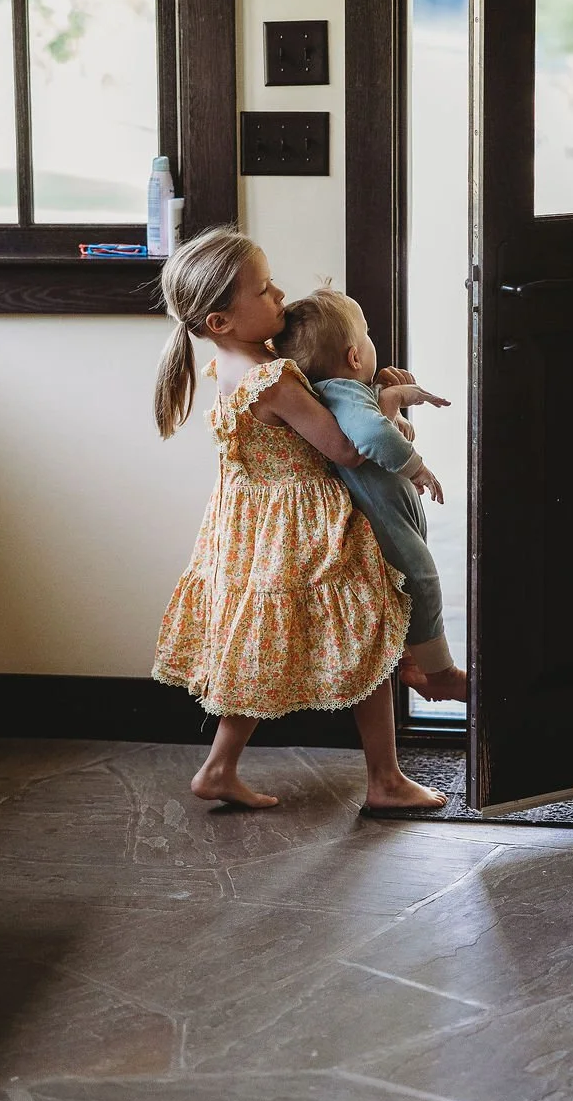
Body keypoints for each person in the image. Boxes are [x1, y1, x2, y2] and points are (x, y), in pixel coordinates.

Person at [152, 226, 447, 812]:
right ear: (220, 321)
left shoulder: (231, 363)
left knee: (264, 643)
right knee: (368, 636)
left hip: (254, 526)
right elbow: (345, 450)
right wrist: (387, 402)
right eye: (264, 289)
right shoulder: (274, 379)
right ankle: (385, 779)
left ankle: (219, 767)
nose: (280, 295)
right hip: (305, 527)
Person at [273, 287, 467, 703]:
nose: (371, 341)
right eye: (367, 334)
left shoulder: (338, 392)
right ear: (354, 357)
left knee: (410, 587)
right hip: (383, 520)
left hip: (389, 513)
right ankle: (440, 674)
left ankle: (412, 662)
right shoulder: (345, 393)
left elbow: (377, 424)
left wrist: (386, 400)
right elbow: (373, 435)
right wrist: (417, 468)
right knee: (422, 580)